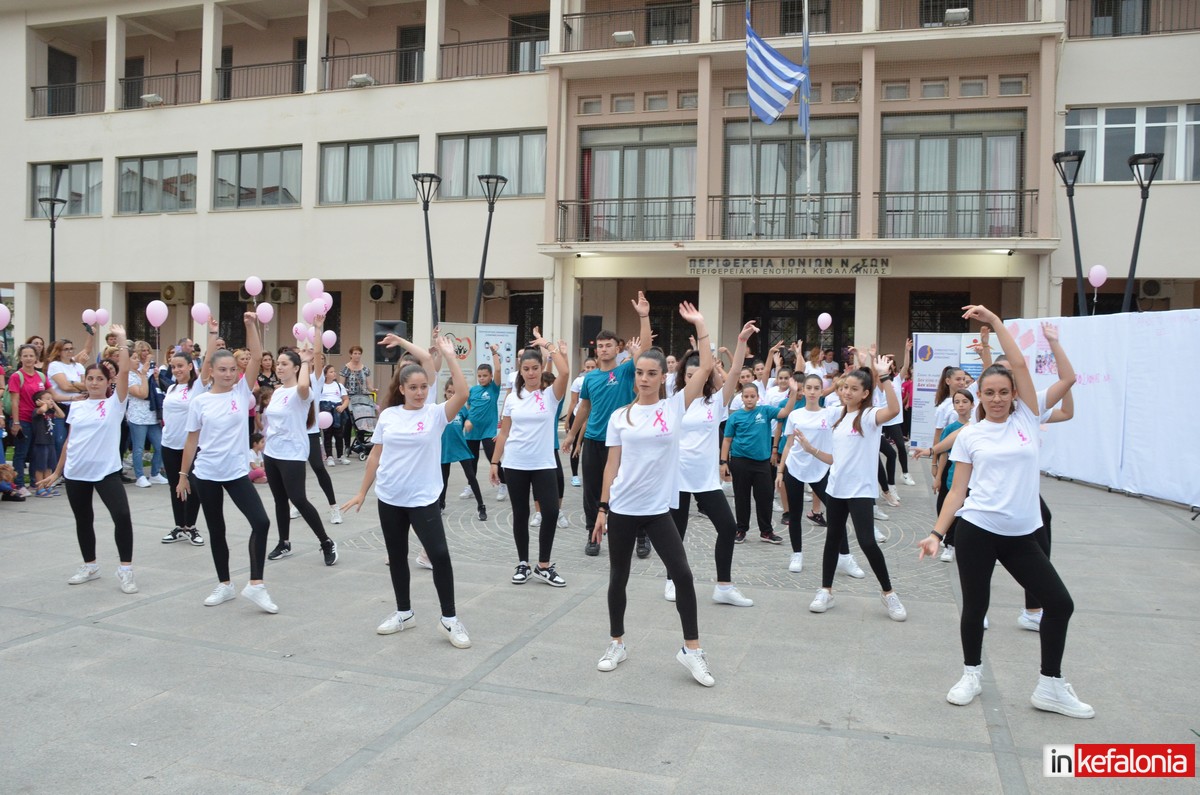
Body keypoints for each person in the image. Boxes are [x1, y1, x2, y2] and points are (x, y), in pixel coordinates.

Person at [917, 309, 1092, 719]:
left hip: (1021, 535)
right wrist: (937, 534)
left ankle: (1050, 686)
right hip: (977, 529)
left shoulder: (1028, 417)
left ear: (1014, 394)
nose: (996, 399)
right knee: (975, 607)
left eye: (1003, 392)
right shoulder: (971, 435)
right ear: (979, 396)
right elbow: (957, 492)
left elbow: (1028, 368)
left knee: (1059, 603)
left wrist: (996, 323)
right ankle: (971, 675)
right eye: (989, 393)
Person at [592, 302, 716, 687]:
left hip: (658, 509)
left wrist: (700, 325)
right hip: (623, 507)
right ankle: (617, 643)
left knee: (683, 575)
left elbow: (706, 368)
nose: (644, 379)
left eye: (651, 374)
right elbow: (612, 466)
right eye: (639, 373)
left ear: (664, 377)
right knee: (618, 577)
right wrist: (602, 509)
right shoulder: (620, 416)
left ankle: (692, 650)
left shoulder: (674, 407)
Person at [343, 332, 472, 648]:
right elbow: (376, 456)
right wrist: (362, 491)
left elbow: (463, 392)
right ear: (401, 389)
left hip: (423, 498)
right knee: (397, 555)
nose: (419, 392)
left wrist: (448, 355)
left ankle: (449, 619)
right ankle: (404, 613)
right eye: (413, 387)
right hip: (390, 497)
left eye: (424, 387)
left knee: (439, 555)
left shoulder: (435, 414)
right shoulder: (388, 415)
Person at [177, 313, 278, 613]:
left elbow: (257, 356)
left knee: (261, 522)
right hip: (206, 473)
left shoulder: (241, 392)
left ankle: (256, 584)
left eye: (233, 369)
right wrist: (183, 475)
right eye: (222, 369)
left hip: (235, 473)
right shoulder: (200, 401)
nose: (228, 374)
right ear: (211, 370)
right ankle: (224, 584)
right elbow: (191, 441)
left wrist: (249, 325)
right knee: (216, 529)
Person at [807, 351, 907, 621]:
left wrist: (884, 377)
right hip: (836, 489)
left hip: (860, 491)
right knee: (833, 539)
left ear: (865, 394)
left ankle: (888, 593)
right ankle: (826, 591)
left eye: (854, 389)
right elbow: (835, 456)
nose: (847, 392)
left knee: (867, 542)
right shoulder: (838, 418)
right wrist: (810, 449)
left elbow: (894, 410)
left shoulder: (869, 416)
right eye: (845, 388)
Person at [37, 325, 137, 594]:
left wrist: (122, 340)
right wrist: (57, 472)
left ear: (107, 382)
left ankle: (125, 570)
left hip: (106, 472)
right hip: (76, 472)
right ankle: (90, 565)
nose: (94, 383)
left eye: (99, 379)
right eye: (90, 378)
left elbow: (124, 372)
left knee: (122, 516)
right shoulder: (78, 406)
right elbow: (70, 442)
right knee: (83, 519)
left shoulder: (115, 404)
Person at [668, 320, 757, 607]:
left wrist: (741, 342)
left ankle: (724, 586)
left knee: (728, 527)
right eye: (688, 374)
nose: (693, 378)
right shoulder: (674, 402)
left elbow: (735, 373)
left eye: (699, 374)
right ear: (683, 376)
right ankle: (672, 580)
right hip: (678, 477)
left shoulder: (715, 403)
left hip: (706, 479)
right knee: (676, 533)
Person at [562, 293, 653, 556]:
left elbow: (646, 349)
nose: (603, 349)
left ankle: (641, 536)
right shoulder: (589, 378)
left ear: (617, 348)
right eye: (600, 346)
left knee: (630, 487)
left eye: (608, 345)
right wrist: (571, 436)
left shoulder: (625, 370)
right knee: (591, 492)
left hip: (623, 441)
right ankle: (593, 534)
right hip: (594, 440)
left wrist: (644, 316)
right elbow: (584, 408)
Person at [490, 330, 570, 587]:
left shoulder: (550, 395)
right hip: (515, 463)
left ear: (541, 368)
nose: (531, 373)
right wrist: (494, 462)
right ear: (520, 371)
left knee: (550, 512)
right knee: (520, 512)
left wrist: (548, 345)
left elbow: (565, 372)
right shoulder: (513, 398)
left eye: (535, 368)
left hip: (544, 464)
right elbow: (504, 433)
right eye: (526, 369)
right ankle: (523, 563)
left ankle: (543, 565)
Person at [777, 374, 866, 578]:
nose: (812, 392)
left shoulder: (831, 413)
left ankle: (845, 557)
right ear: (803, 390)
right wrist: (780, 471)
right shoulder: (795, 415)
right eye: (808, 388)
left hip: (822, 469)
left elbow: (853, 404)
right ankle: (797, 554)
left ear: (821, 391)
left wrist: (845, 383)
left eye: (816, 388)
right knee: (795, 514)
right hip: (795, 468)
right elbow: (789, 445)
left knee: (836, 515)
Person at [262, 337, 338, 567]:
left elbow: (304, 386)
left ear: (295, 368)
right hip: (272, 453)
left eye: (284, 364)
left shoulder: (302, 393)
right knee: (280, 500)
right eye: (278, 363)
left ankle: (326, 542)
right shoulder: (277, 392)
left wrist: (305, 361)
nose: (279, 367)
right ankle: (284, 542)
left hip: (292, 454)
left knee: (298, 499)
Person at [720, 377, 797, 544]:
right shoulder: (735, 417)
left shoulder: (765, 411)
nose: (749, 399)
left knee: (765, 497)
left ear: (757, 397)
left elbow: (785, 412)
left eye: (752, 396)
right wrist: (723, 462)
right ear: (741, 398)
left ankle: (766, 531)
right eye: (746, 396)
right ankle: (741, 529)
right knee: (742, 497)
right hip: (740, 461)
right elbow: (727, 440)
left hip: (762, 463)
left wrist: (794, 393)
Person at [159, 328, 214, 546]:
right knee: (175, 486)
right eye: (173, 367)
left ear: (191, 366)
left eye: (180, 366)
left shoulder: (198, 387)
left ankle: (190, 526)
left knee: (192, 487)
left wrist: (212, 334)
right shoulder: (171, 388)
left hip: (190, 447)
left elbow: (208, 360)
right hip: (169, 445)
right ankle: (179, 526)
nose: (176, 370)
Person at [463, 345, 506, 501]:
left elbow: (499, 370)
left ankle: (503, 484)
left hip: (488, 431)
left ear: (491, 376)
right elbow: (468, 408)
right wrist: (467, 421)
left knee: (492, 457)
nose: (482, 378)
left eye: (485, 376)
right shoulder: (473, 390)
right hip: (472, 431)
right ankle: (471, 486)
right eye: (479, 376)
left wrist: (494, 353)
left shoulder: (494, 389)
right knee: (471, 460)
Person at [5, 344, 50, 495]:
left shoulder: (41, 376)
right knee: (21, 453)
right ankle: (18, 484)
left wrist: (73, 397)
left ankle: (34, 482)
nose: (28, 358)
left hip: (38, 420)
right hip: (22, 419)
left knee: (35, 452)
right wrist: (16, 422)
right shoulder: (16, 376)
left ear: (36, 357)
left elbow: (51, 394)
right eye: (25, 356)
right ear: (20, 358)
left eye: (31, 355)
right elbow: (15, 401)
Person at [438, 381, 485, 519]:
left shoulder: (462, 409)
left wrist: (468, 422)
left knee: (471, 476)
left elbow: (469, 418)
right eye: (449, 392)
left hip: (460, 446)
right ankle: (440, 504)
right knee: (443, 478)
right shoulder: (440, 409)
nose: (452, 395)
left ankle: (481, 506)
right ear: (445, 393)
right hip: (445, 447)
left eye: (454, 392)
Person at [46, 336, 95, 461]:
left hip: (77, 405)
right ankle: (58, 467)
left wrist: (72, 383)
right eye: (66, 349)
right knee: (60, 439)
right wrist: (76, 385)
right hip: (60, 405)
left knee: (76, 438)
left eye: (71, 349)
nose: (69, 351)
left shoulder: (78, 366)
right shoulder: (55, 365)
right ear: (59, 351)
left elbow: (86, 386)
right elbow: (65, 386)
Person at [126, 341, 167, 488]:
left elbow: (156, 389)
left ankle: (155, 473)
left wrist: (155, 378)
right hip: (137, 416)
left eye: (138, 358)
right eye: (134, 358)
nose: (138, 360)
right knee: (138, 448)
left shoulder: (145, 371)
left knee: (160, 444)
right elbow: (142, 394)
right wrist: (144, 374)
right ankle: (140, 476)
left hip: (151, 414)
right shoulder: (128, 376)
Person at [565, 357, 597, 487]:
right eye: (587, 367)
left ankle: (591, 476)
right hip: (578, 416)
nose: (590, 369)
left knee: (590, 448)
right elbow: (573, 402)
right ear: (584, 368)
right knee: (576, 446)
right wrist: (567, 420)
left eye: (592, 367)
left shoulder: (600, 379)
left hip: (593, 417)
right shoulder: (578, 381)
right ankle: (574, 475)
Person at [29, 390, 64, 497]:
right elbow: (42, 410)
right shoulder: (37, 411)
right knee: (41, 467)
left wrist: (54, 404)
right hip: (40, 442)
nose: (50, 401)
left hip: (50, 442)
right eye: (48, 399)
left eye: (51, 399)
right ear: (39, 401)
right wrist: (43, 404)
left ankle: (47, 487)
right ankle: (40, 488)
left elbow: (62, 415)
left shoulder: (50, 412)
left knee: (49, 466)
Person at [340, 345, 373, 456]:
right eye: (355, 353)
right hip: (349, 399)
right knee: (349, 422)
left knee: (362, 421)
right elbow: (341, 385)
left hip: (362, 399)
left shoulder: (365, 369)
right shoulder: (346, 368)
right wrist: (344, 396)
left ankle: (360, 443)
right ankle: (347, 445)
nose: (357, 355)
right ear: (351, 354)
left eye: (359, 353)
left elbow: (369, 385)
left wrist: (373, 389)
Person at [319, 365, 349, 464]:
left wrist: (342, 407)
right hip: (325, 412)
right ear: (325, 375)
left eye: (334, 371)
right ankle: (329, 457)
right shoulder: (320, 386)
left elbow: (346, 399)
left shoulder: (339, 386)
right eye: (331, 372)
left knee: (339, 434)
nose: (334, 373)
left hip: (337, 411)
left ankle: (341, 455)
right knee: (327, 434)